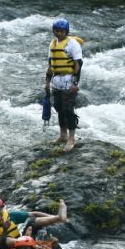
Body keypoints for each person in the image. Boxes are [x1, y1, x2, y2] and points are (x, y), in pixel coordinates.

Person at [0, 196, 70, 249]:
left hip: (21, 245)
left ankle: (60, 217)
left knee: (32, 223)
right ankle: (30, 243)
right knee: (5, 239)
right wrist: (4, 230)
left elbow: (34, 214)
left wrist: (54, 218)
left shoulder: (10, 216)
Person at [44, 18, 83, 150]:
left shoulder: (72, 44)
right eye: (56, 31)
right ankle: (63, 135)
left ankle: (72, 139)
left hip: (68, 80)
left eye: (61, 31)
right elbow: (51, 63)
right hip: (57, 80)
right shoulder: (53, 43)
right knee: (59, 108)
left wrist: (75, 83)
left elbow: (78, 64)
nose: (58, 33)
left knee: (68, 109)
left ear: (66, 31)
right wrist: (47, 81)